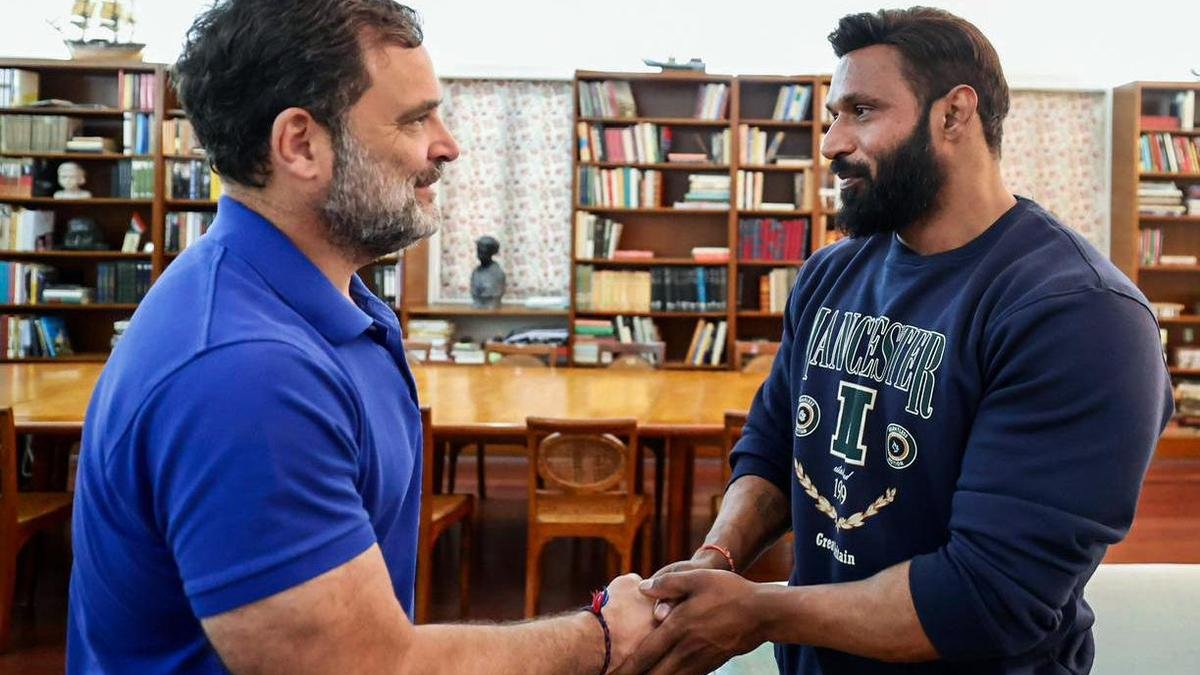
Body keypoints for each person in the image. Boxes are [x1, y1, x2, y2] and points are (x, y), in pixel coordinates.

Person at [67, 1, 654, 673]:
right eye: (414, 119)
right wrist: (605, 637)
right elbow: (366, 665)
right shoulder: (246, 372)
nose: (447, 145)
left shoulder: (335, 304)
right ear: (300, 145)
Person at [624, 7, 1174, 675]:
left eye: (861, 111)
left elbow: (986, 598)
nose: (831, 143)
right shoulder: (830, 273)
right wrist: (718, 557)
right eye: (833, 115)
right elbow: (772, 446)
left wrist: (757, 611)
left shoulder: (1078, 315)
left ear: (954, 114)